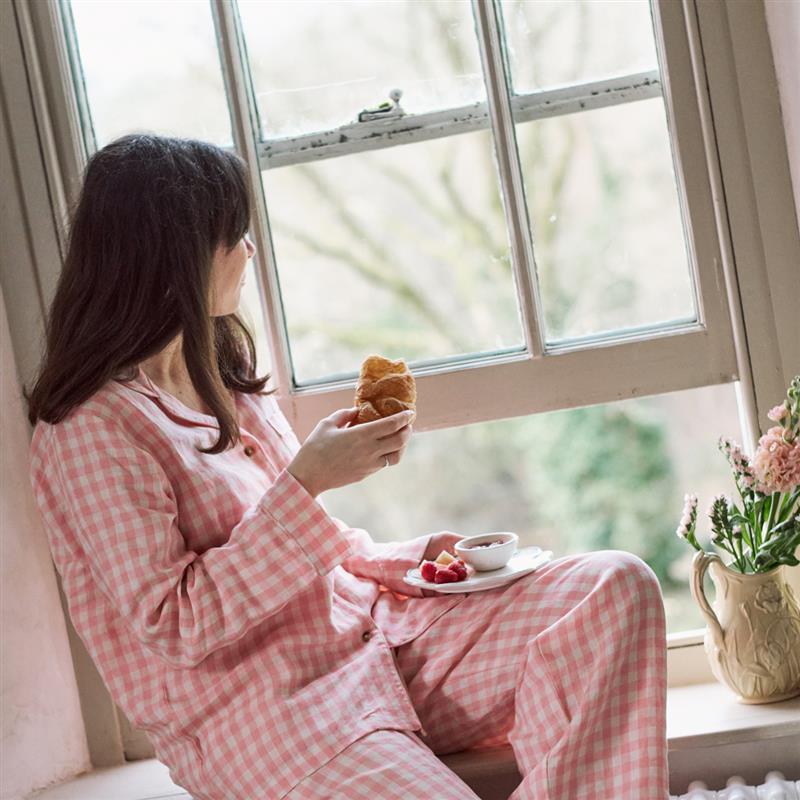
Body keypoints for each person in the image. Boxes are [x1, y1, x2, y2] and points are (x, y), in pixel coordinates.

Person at [26, 134, 668, 800]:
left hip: (379, 641)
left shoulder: (225, 380)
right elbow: (177, 624)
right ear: (173, 256)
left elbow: (308, 555)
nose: (249, 251)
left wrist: (416, 564)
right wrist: (308, 482)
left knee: (612, 587)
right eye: (233, 235)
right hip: (274, 720)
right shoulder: (89, 431)